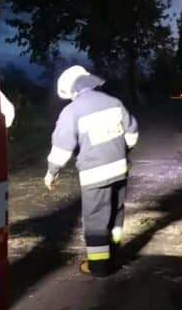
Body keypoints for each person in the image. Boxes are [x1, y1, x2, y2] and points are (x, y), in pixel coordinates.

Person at [43, 65, 139, 277]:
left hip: (94, 176)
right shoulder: (114, 102)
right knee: (116, 213)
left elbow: (62, 148)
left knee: (96, 219)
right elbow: (132, 132)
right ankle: (114, 254)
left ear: (72, 91)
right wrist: (122, 151)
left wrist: (52, 173)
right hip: (120, 170)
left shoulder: (72, 111)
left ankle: (99, 266)